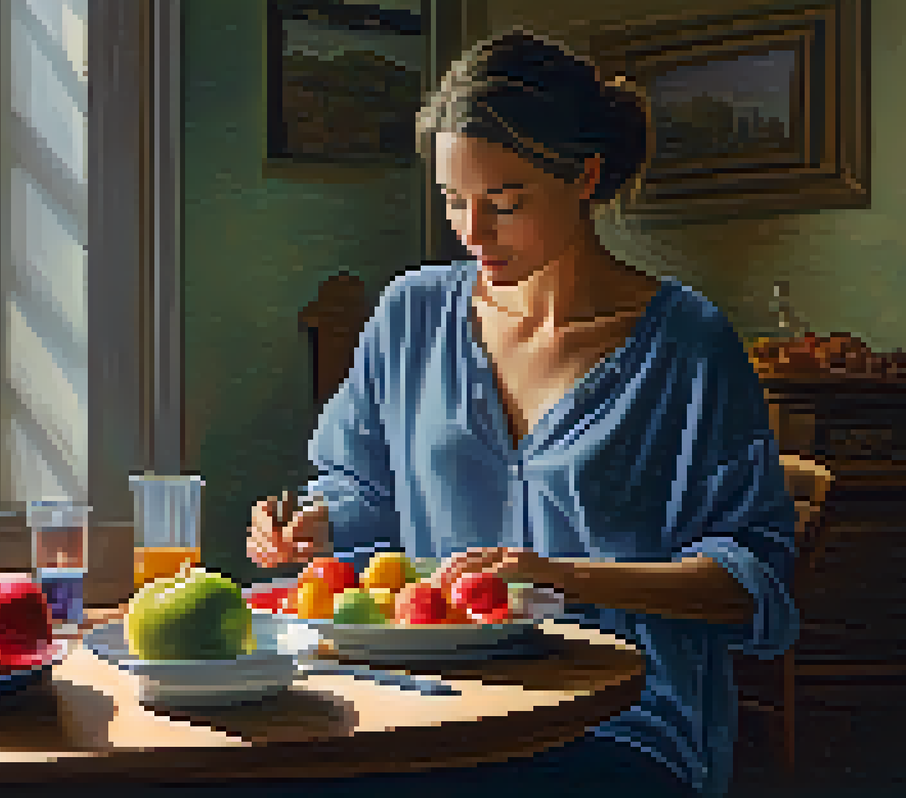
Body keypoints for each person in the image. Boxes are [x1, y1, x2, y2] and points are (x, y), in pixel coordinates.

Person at [247, 26, 799, 798]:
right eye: (452, 201)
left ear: (585, 177)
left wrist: (561, 577)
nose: (472, 233)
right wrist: (316, 523)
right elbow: (364, 493)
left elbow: (751, 581)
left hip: (626, 721)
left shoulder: (686, 344)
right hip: (426, 702)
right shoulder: (411, 315)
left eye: (503, 203)